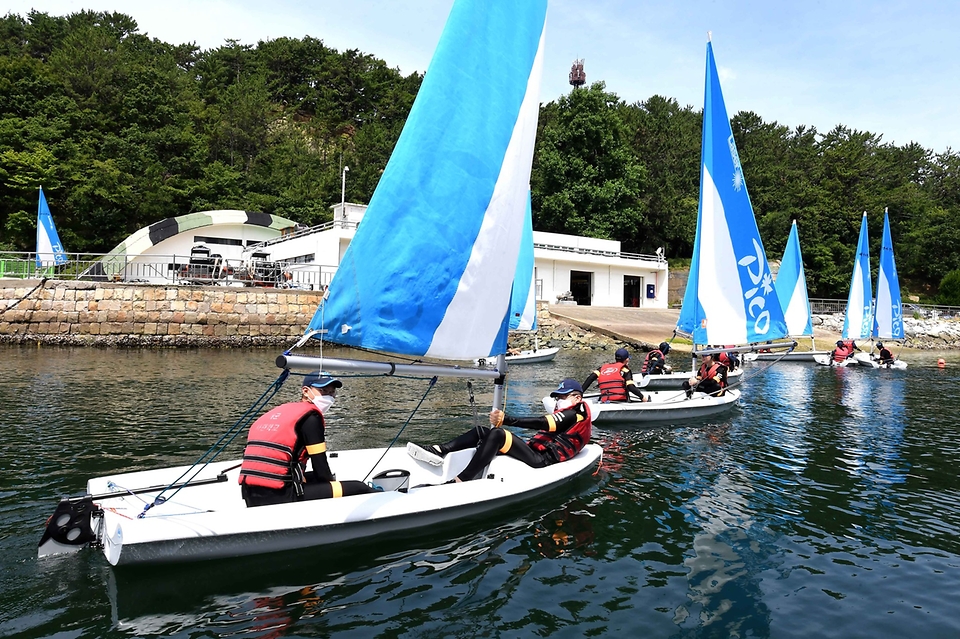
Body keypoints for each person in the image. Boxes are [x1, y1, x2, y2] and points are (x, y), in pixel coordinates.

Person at [407, 378, 592, 483]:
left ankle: (460, 480)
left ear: (577, 398)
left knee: (498, 434)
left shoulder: (573, 415)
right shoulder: (571, 414)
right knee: (482, 431)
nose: (558, 401)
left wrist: (507, 419)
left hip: (541, 460)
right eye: (558, 397)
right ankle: (441, 450)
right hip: (533, 452)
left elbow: (543, 423)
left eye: (562, 396)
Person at [238, 372, 376, 507]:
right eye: (323, 391)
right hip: (281, 497)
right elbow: (320, 467)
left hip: (250, 494)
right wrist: (332, 487)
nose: (329, 396)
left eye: (332, 392)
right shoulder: (311, 418)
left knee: (318, 478)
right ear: (305, 391)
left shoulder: (280, 411)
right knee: (359, 487)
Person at [581, 348, 648, 402]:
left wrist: (580, 393)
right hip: (621, 400)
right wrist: (642, 397)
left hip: (605, 400)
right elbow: (630, 386)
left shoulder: (602, 368)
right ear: (627, 359)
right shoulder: (625, 370)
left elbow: (590, 379)